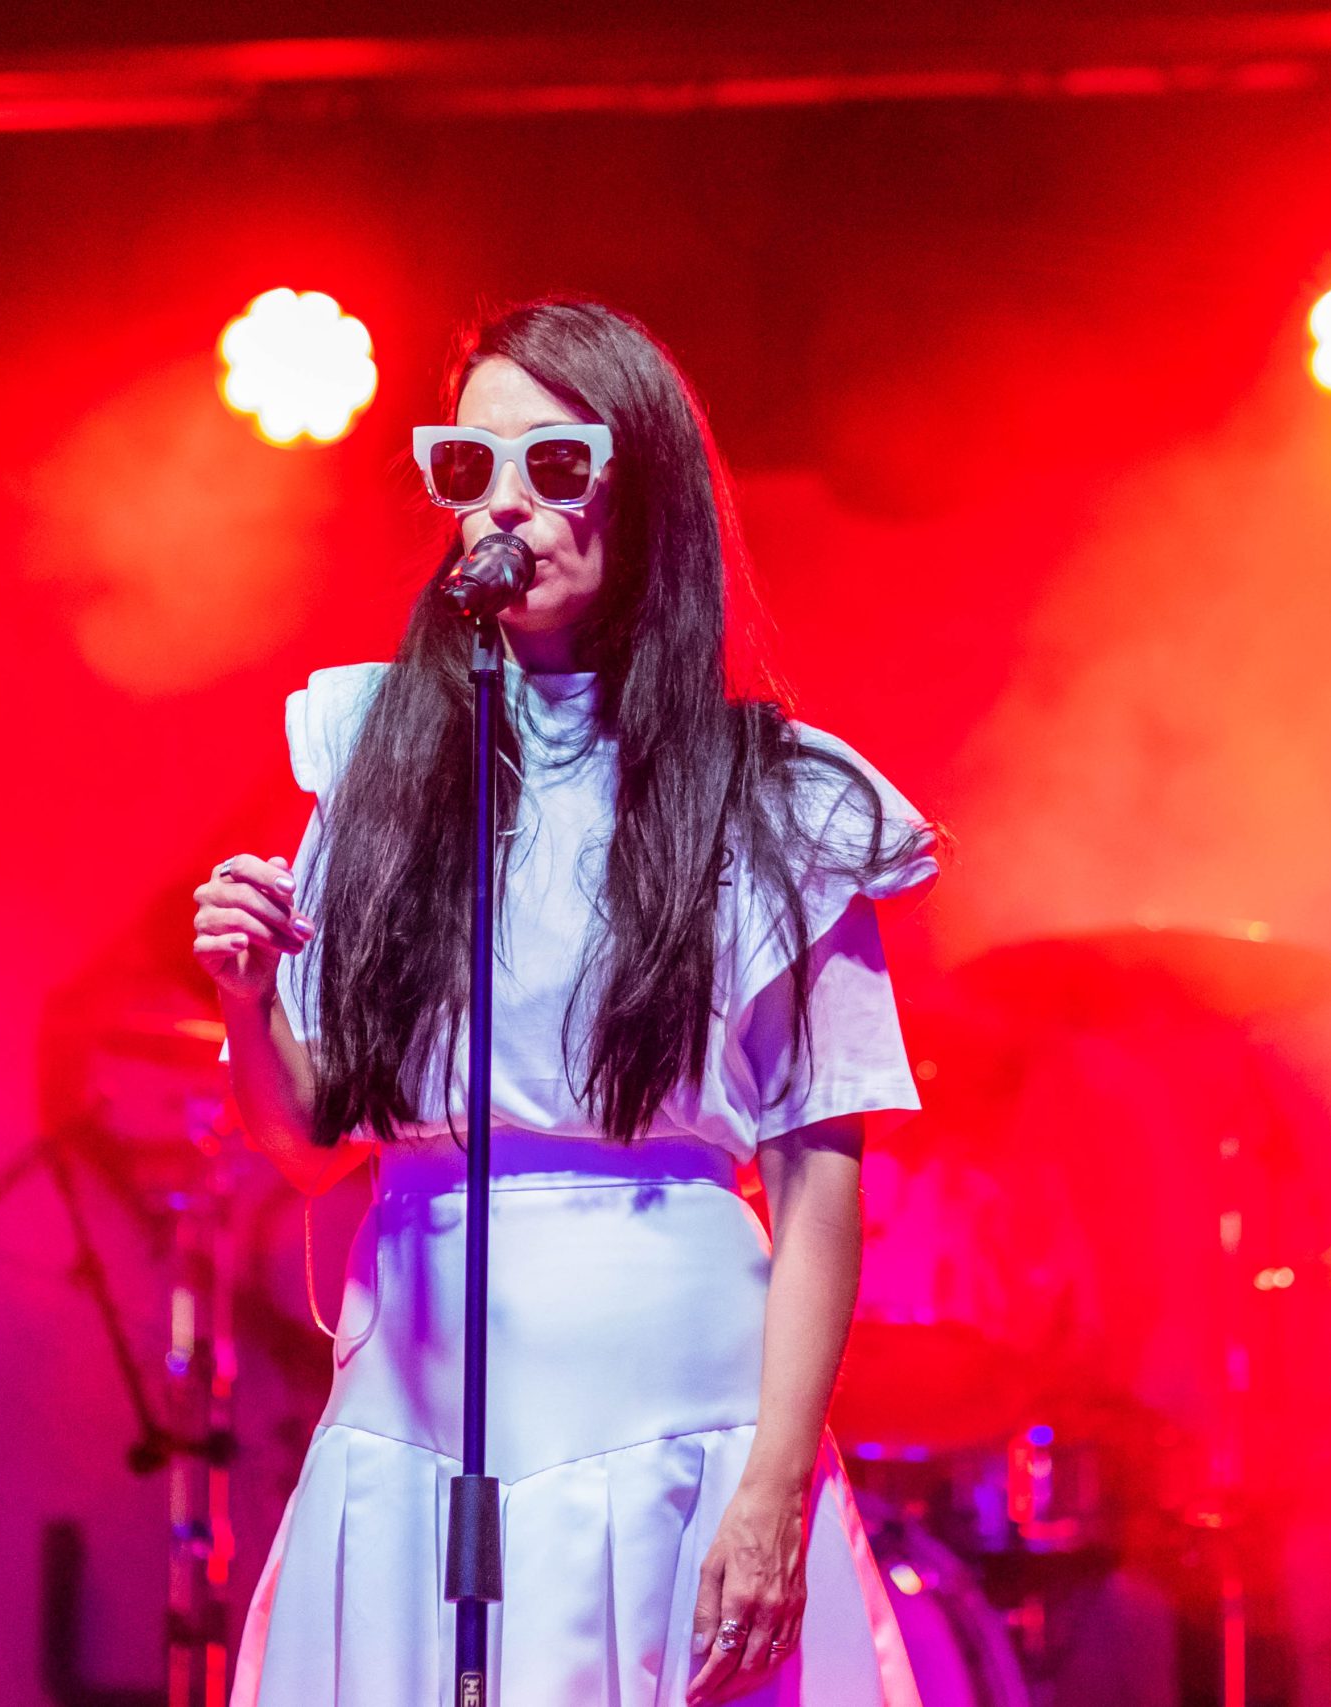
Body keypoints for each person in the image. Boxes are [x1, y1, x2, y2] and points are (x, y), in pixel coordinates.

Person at [194, 299, 940, 1706]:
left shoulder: (775, 797)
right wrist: (247, 1001)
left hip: (677, 1403)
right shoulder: (375, 765)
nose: (507, 506)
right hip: (414, 1408)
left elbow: (820, 1172)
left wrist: (775, 1484)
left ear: (639, 485)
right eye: (468, 468)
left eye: (554, 465)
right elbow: (307, 1141)